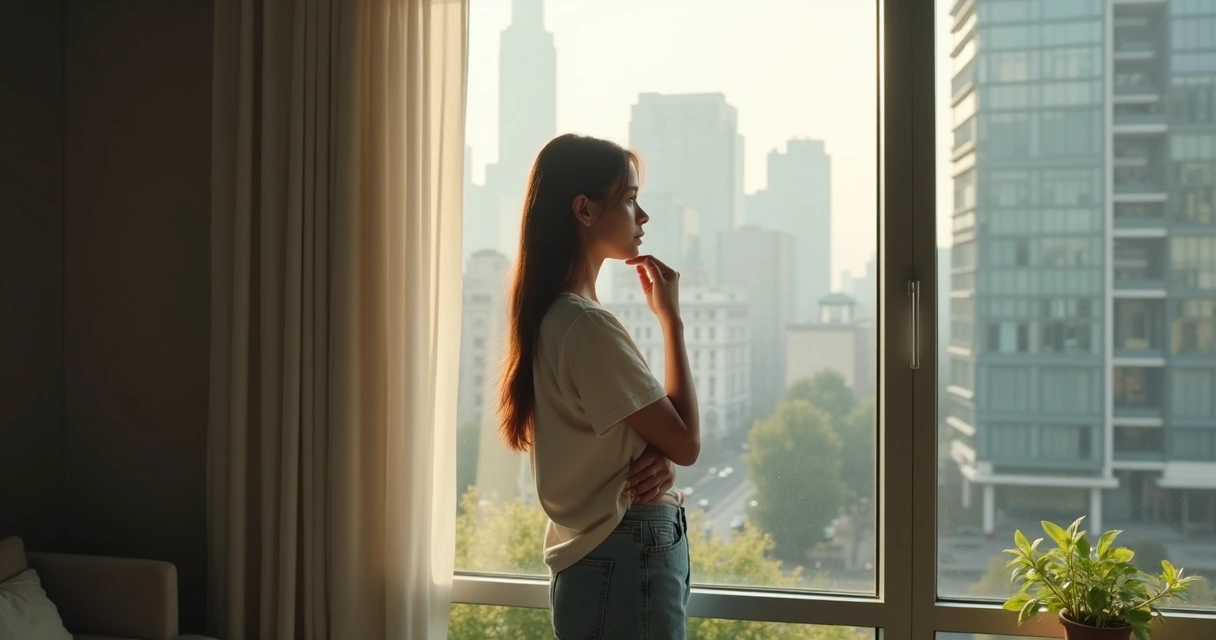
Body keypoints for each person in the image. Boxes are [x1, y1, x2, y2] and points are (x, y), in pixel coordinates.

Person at [497, 133, 701, 639]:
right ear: (584, 210)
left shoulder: (551, 317)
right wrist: (671, 322)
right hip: (629, 543)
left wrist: (661, 454)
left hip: (593, 550)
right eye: (630, 199)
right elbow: (687, 442)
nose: (643, 217)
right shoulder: (586, 325)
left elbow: (640, 443)